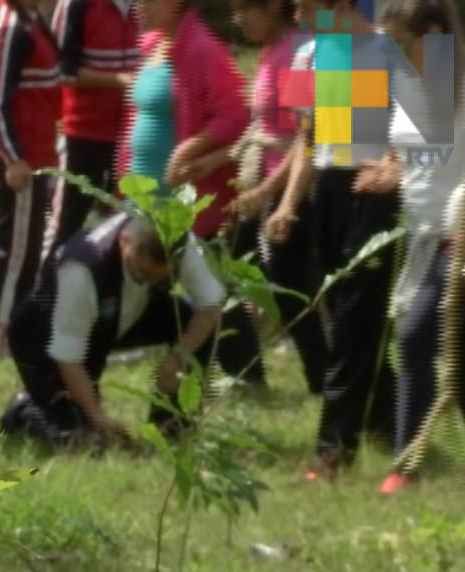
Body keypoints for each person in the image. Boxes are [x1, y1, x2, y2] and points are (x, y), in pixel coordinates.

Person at [264, 0, 400, 479]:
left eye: (306, 6)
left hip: (378, 196)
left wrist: (393, 167)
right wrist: (287, 205)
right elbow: (307, 139)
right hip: (329, 193)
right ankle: (392, 424)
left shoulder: (391, 49)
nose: (297, 16)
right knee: (351, 320)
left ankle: (333, 450)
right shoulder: (310, 56)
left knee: (353, 324)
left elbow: (426, 132)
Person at [119, 0, 266, 385]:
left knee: (213, 286)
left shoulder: (201, 48)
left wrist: (189, 149)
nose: (139, 6)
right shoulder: (151, 45)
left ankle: (247, 375)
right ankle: (170, 354)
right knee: (152, 279)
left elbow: (234, 115)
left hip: (189, 197)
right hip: (146, 191)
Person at [0, 211, 226, 446]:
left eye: (160, 280)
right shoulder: (82, 269)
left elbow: (211, 307)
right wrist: (98, 419)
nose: (149, 283)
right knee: (84, 439)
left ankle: (171, 430)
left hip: (120, 317)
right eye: (142, 274)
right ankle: (23, 412)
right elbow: (68, 358)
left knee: (195, 325)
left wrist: (179, 356)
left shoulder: (178, 243)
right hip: (47, 336)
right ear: (124, 242)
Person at [375, 0, 465, 494]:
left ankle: (405, 465)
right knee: (432, 350)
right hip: (422, 236)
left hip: (458, 239)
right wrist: (391, 170)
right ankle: (408, 461)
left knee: (414, 341)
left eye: (401, 44)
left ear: (433, 34)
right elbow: (413, 155)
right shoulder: (412, 82)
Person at [227, 0, 327, 394]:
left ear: (271, 9)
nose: (237, 19)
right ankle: (244, 373)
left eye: (244, 10)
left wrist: (274, 194)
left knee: (292, 291)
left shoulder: (304, 53)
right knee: (239, 277)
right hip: (265, 186)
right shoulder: (283, 51)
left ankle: (324, 378)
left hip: (291, 188)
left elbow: (309, 139)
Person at [0, 0, 61, 356]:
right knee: (15, 253)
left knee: (27, 250)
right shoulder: (10, 26)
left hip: (40, 154)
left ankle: (14, 332)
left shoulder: (31, 20)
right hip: (22, 162)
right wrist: (13, 159)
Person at [45, 0, 139, 250]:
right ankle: (45, 286)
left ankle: (105, 287)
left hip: (132, 135)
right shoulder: (77, 5)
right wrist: (119, 81)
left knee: (123, 224)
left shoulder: (150, 6)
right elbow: (59, 70)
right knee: (66, 221)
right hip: (83, 132)